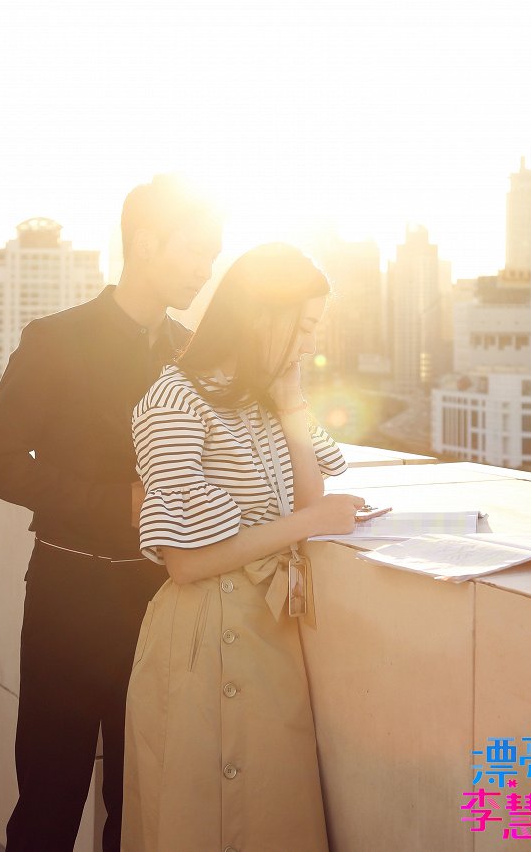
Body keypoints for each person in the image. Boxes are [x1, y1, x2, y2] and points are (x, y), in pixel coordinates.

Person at [0, 174, 223, 852]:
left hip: (164, 601)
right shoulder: (56, 337)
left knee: (139, 807)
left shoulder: (195, 354)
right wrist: (116, 501)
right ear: (144, 242)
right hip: (68, 596)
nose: (206, 269)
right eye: (195, 252)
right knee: (49, 801)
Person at [122, 243, 365, 851]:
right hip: (207, 635)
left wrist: (289, 401)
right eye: (304, 327)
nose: (309, 344)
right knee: (209, 820)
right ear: (264, 316)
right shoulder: (174, 402)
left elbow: (310, 502)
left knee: (271, 816)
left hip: (268, 632)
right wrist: (307, 524)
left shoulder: (262, 399)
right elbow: (185, 562)